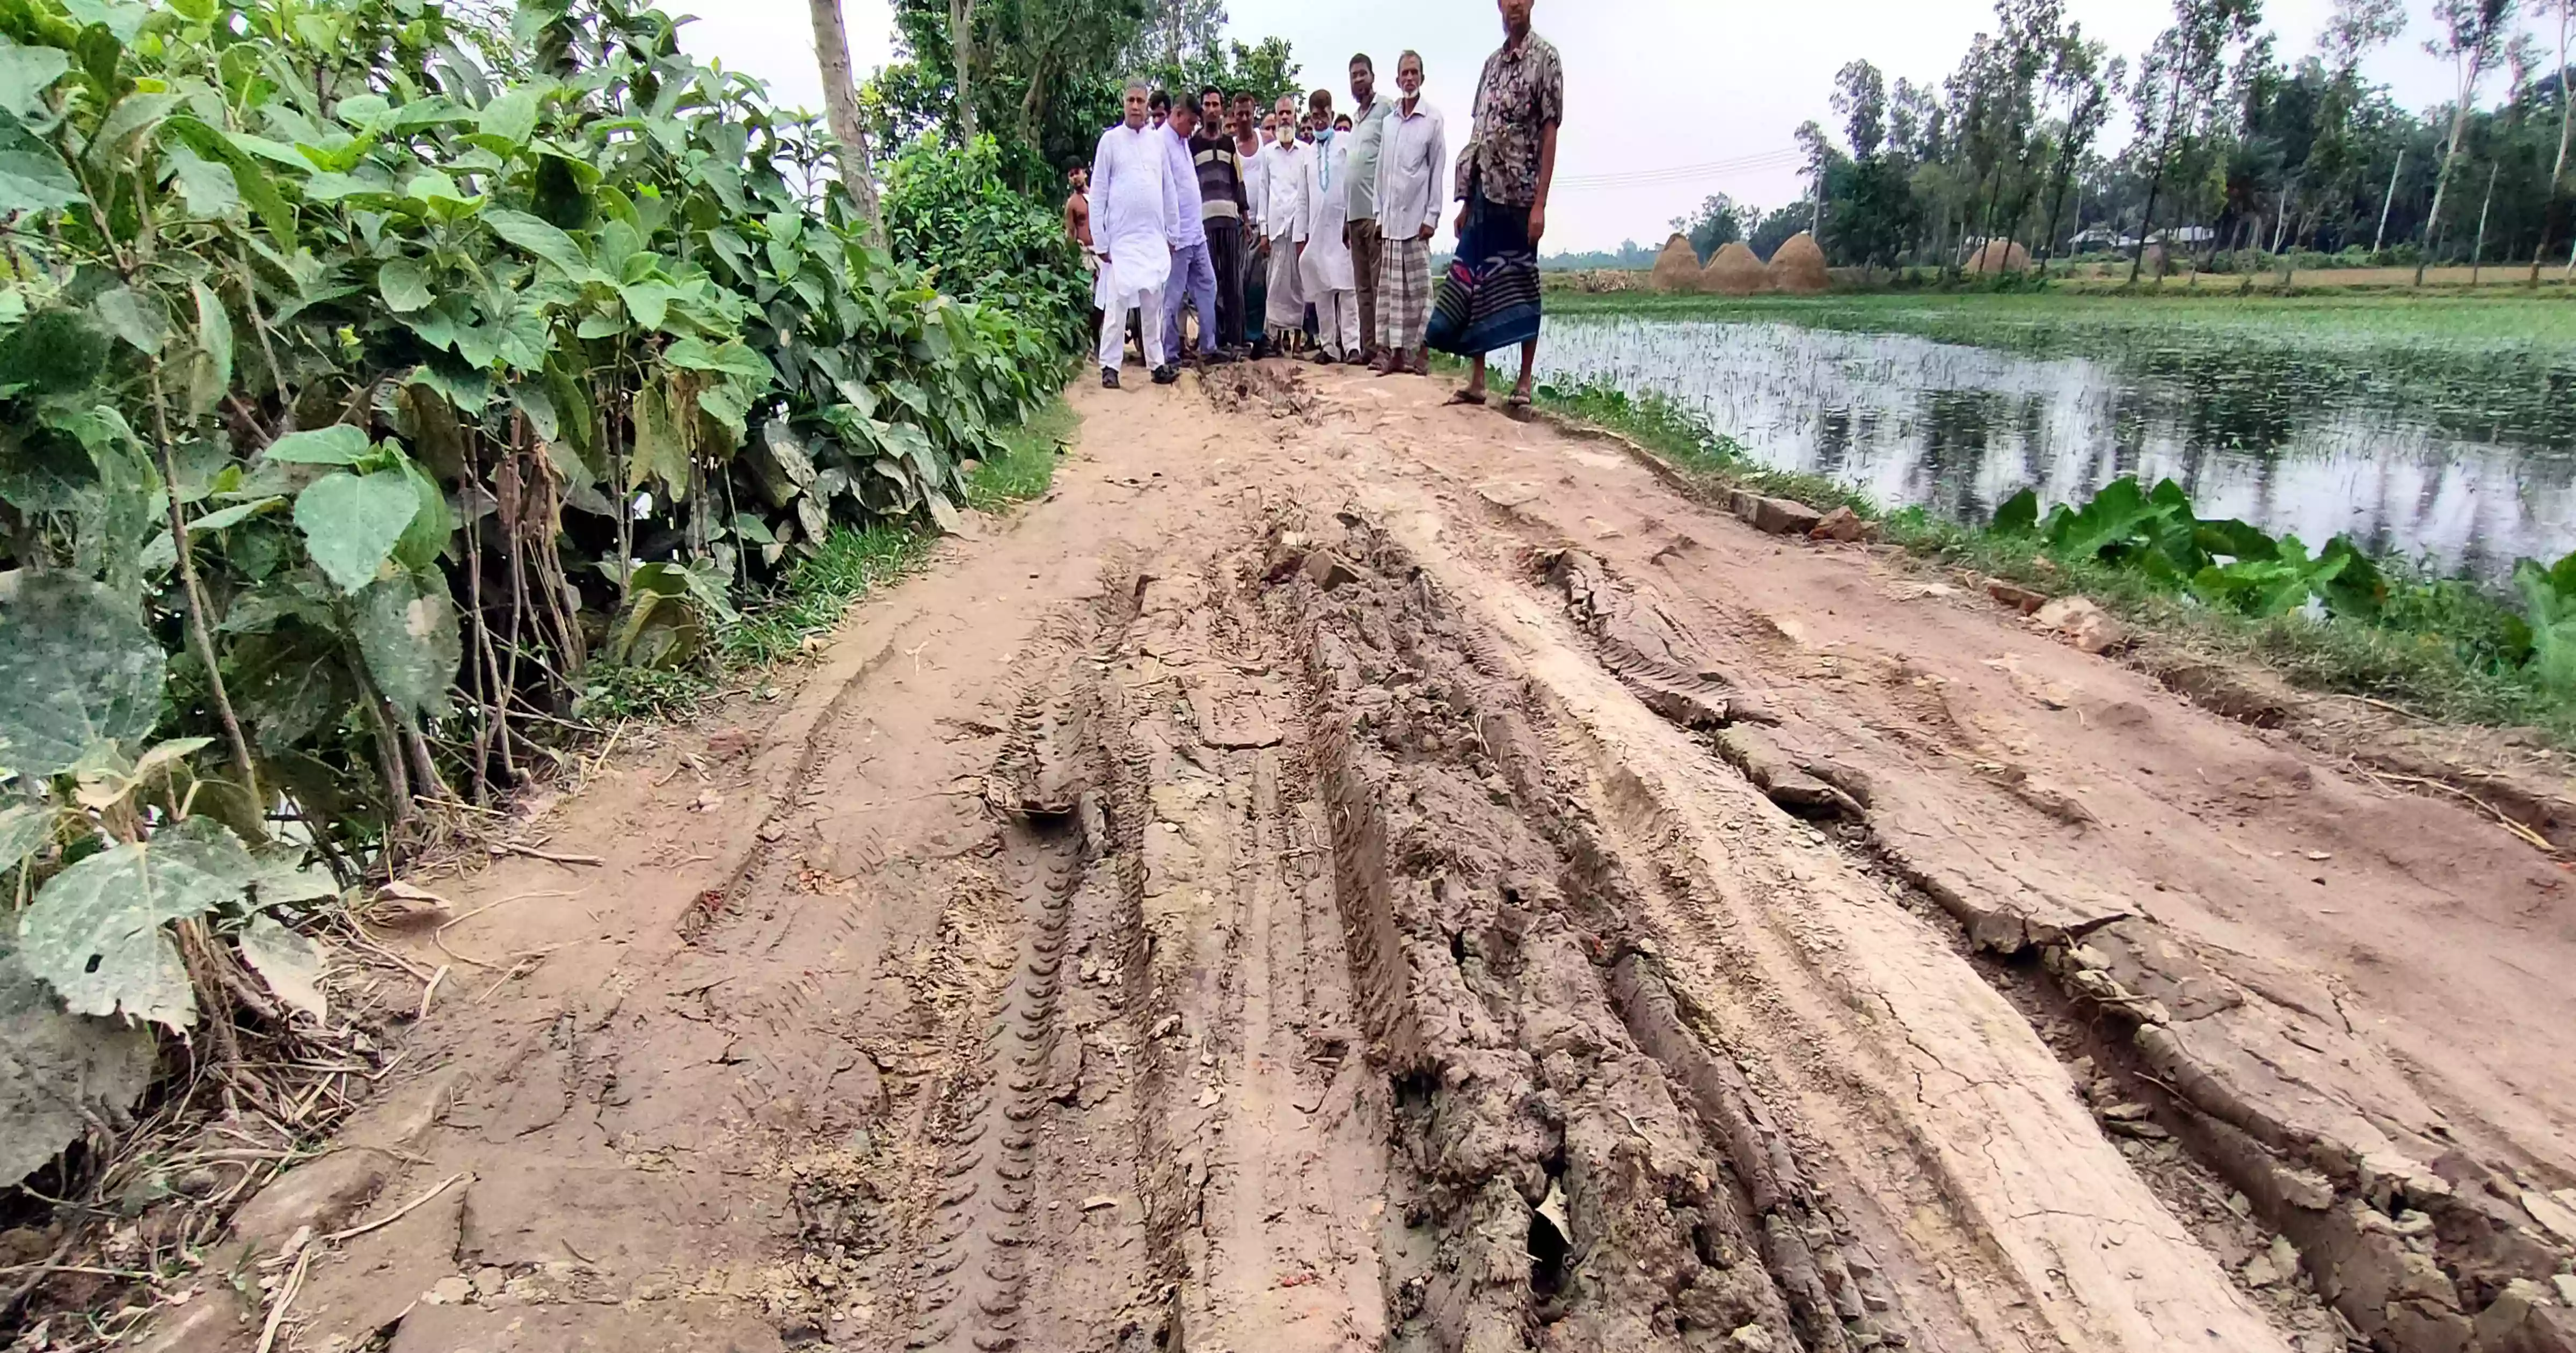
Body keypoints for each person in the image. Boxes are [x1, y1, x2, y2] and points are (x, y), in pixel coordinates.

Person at [1432, 0, 1561, 413]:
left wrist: (1540, 202)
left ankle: (1524, 381)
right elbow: (1478, 132)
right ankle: (1477, 378)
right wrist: (1465, 200)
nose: (1515, 6)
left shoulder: (1546, 59)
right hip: (1485, 191)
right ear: (1499, 6)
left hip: (1521, 194)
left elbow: (1550, 132)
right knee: (1474, 283)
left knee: (1523, 282)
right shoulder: (1490, 65)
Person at [1091, 83, 1181, 389]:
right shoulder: (1110, 141)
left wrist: (1173, 233)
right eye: (1130, 100)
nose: (1135, 106)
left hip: (1153, 238)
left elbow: (1169, 188)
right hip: (1121, 240)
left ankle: (1157, 365)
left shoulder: (1157, 144)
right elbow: (1099, 190)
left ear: (1147, 106)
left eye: (1140, 101)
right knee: (1117, 307)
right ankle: (1109, 367)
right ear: (1123, 104)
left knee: (1153, 304)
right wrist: (1100, 241)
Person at [1373, 50, 1447, 376]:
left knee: (1420, 293)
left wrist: (1432, 216)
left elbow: (1437, 171)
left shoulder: (1432, 119)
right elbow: (1381, 173)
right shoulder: (1389, 123)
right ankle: (1395, 355)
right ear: (1397, 79)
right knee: (1391, 294)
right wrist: (1378, 215)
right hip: (1390, 222)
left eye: (1414, 73)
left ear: (1422, 78)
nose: (1409, 79)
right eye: (1404, 73)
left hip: (1417, 222)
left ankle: (1423, 354)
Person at [1158, 98, 1225, 369]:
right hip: (1176, 238)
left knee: (1208, 286)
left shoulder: (1183, 141)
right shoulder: (1160, 143)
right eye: (1191, 122)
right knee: (1173, 297)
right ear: (1177, 114)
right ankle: (1170, 354)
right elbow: (1161, 190)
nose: (1193, 128)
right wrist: (1168, 233)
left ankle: (1209, 347)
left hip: (1196, 234)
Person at [1187, 86, 1252, 361]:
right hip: (1204, 224)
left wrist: (1245, 218)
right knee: (1209, 284)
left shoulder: (1229, 145)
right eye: (1207, 104)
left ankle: (1236, 341)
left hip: (1229, 220)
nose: (1212, 109)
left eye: (1216, 104)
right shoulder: (1192, 146)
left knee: (1233, 283)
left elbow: (1238, 181)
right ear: (1202, 110)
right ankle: (1213, 341)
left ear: (1221, 109)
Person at [1295, 88, 1359, 363]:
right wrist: (1301, 236)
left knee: (1347, 289)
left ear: (1332, 114)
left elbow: (1355, 181)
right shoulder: (1307, 155)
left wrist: (1353, 219)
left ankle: (1353, 346)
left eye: (1324, 115)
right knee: (1322, 290)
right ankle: (1329, 346)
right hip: (1317, 231)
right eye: (1315, 116)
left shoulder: (1346, 142)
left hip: (1341, 229)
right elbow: (1302, 199)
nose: (1319, 120)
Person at [1341, 53, 1393, 367]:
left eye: (1362, 74)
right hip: (1354, 214)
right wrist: (1346, 218)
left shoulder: (1385, 109)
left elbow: (1389, 159)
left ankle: (1385, 349)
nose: (1358, 80)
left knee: (1378, 284)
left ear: (1373, 76)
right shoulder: (1356, 118)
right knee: (1361, 286)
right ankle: (1369, 347)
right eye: (1353, 76)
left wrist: (1384, 213)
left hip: (1375, 216)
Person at [1254, 95, 1309, 353]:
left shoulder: (1306, 153)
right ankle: (1275, 340)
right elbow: (1263, 192)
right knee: (1275, 285)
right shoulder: (1267, 154)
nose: (1285, 117)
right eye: (1281, 114)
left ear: (1295, 117)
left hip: (1298, 229)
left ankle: (1297, 341)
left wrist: (1307, 230)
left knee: (1298, 285)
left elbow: (1308, 193)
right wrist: (1263, 231)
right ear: (1275, 119)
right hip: (1276, 228)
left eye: (1289, 113)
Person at [1237, 101, 1271, 352]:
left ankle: (1259, 336)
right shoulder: (1231, 146)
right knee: (1239, 282)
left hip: (1263, 223)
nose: (1245, 118)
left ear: (1254, 113)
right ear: (1234, 116)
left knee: (1258, 284)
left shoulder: (1266, 139)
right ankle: (1240, 334)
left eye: (1249, 113)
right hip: (1240, 225)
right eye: (1240, 114)